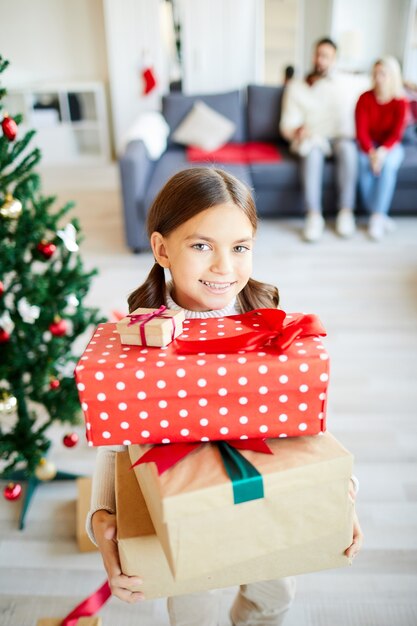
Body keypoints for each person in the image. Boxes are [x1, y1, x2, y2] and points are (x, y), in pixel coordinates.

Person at [87, 167, 363, 626]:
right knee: (195, 608)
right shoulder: (139, 337)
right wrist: (103, 515)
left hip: (271, 493)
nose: (224, 268)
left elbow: (303, 414)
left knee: (274, 597)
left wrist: (339, 494)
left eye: (240, 248)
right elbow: (116, 442)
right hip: (179, 505)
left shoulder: (267, 317)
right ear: (161, 249)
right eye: (201, 246)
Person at [280, 37, 365, 242]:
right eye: (318, 54)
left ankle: (346, 212)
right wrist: (296, 131)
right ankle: (313, 216)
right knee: (312, 152)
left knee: (348, 149)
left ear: (334, 60)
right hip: (312, 139)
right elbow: (286, 124)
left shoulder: (345, 84)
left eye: (326, 56)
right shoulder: (296, 86)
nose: (320, 60)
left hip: (338, 137)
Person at [355, 56, 408, 241]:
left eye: (382, 74)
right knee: (362, 164)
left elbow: (396, 134)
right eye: (375, 73)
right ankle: (378, 213)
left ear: (392, 76)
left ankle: (377, 217)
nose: (378, 78)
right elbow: (361, 132)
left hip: (390, 146)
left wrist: (382, 152)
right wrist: (371, 153)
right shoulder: (364, 98)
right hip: (368, 145)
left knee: (388, 166)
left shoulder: (401, 102)